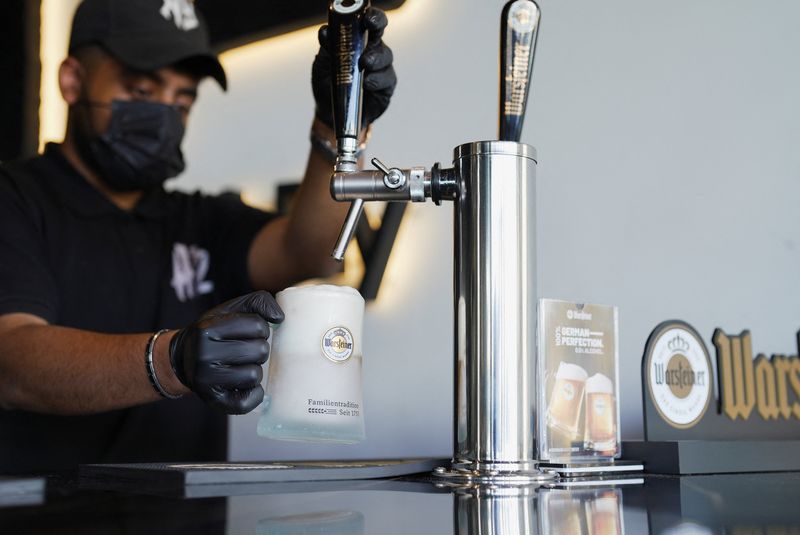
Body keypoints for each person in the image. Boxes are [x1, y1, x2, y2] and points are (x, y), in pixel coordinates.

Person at [0, 0, 396, 474]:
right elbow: (12, 364)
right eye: (142, 89)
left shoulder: (199, 219)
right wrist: (172, 360)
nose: (165, 113)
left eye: (182, 100)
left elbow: (308, 250)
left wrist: (337, 124)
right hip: (41, 520)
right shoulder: (15, 200)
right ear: (72, 80)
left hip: (189, 520)